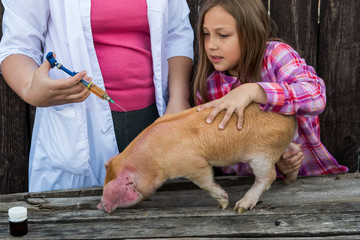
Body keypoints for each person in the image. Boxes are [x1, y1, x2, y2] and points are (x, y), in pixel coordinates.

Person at [0, 0, 194, 192]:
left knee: (156, 216)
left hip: (154, 122)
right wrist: (30, 89)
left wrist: (179, 99)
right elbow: (17, 47)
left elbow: (177, 33)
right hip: (79, 129)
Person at [193, 0, 348, 178]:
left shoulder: (275, 56)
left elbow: (316, 96)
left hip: (312, 178)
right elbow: (222, 159)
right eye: (206, 34)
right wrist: (273, 162)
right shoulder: (209, 90)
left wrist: (255, 91)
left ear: (251, 33)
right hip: (251, 192)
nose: (211, 45)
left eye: (223, 35)